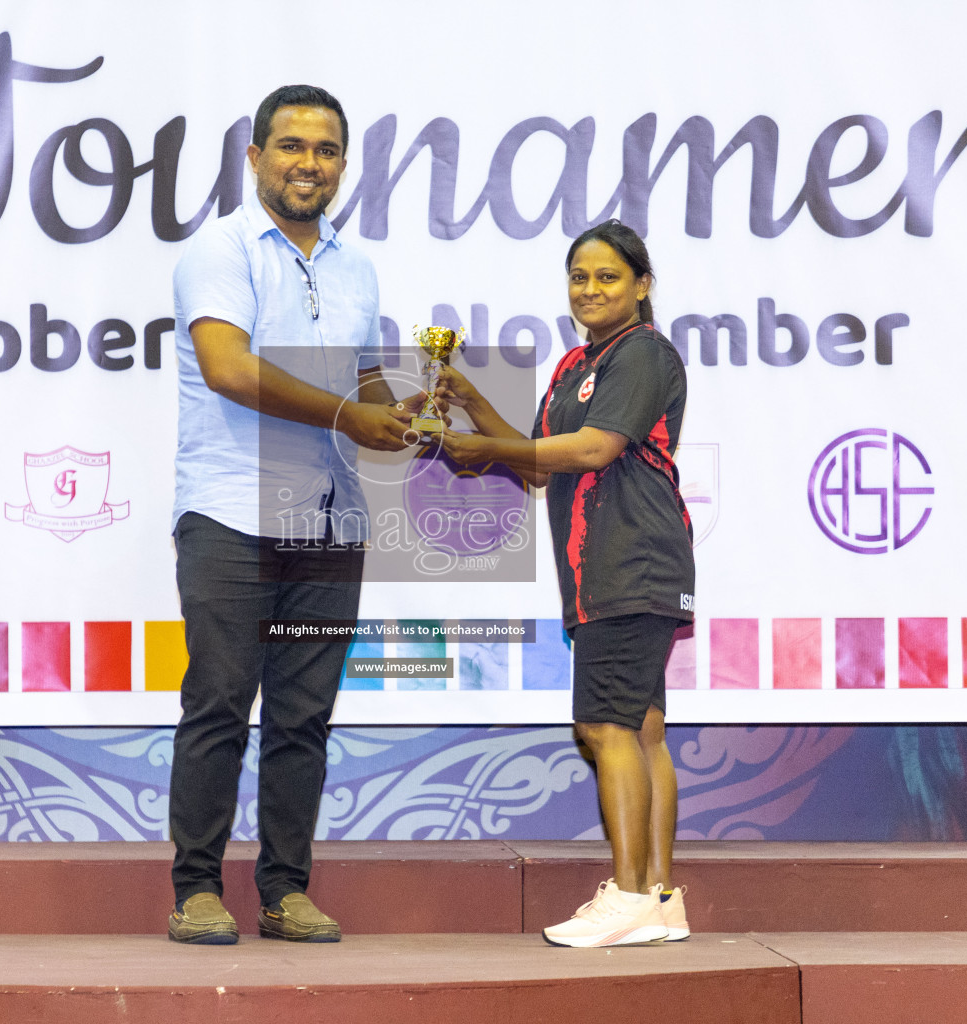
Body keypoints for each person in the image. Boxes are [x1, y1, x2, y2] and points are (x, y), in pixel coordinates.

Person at [168, 84, 422, 944]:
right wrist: (353, 415)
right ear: (255, 158)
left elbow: (367, 384)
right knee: (218, 701)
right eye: (290, 147)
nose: (308, 164)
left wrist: (426, 415)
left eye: (325, 150)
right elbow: (230, 369)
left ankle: (284, 891)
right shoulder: (220, 249)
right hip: (230, 513)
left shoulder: (357, 267)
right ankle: (197, 890)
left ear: (344, 165)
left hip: (327, 522)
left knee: (304, 716)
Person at [440, 219, 695, 948]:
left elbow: (593, 448)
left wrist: (488, 446)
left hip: (631, 564)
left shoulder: (642, 353)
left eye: (608, 276)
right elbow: (534, 458)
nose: (590, 289)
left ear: (642, 285)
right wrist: (464, 402)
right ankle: (661, 902)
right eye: (579, 277)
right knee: (642, 730)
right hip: (607, 573)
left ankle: (632, 896)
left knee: (605, 727)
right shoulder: (575, 365)